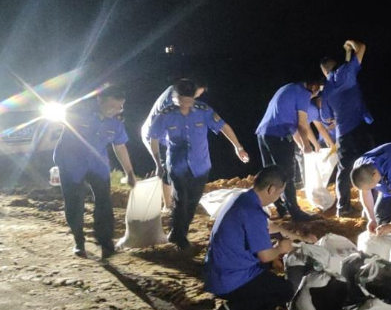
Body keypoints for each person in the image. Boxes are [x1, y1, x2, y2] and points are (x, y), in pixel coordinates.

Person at [148, 79, 249, 249]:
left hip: (201, 165)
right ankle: (179, 237)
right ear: (175, 97)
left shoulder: (204, 111)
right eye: (182, 101)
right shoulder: (165, 114)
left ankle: (178, 231)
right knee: (181, 199)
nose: (185, 105)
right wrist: (158, 163)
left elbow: (223, 126)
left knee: (193, 201)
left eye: (189, 101)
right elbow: (154, 138)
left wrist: (238, 147)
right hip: (177, 164)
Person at [203, 165, 296, 310]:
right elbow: (265, 256)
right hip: (229, 280)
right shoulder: (253, 213)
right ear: (271, 189)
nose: (279, 198)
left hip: (216, 272)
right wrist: (282, 248)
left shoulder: (242, 199)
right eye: (280, 193)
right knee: (286, 290)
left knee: (268, 273)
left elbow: (269, 227)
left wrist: (299, 237)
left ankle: (240, 304)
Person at [53, 88, 136, 258]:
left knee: (104, 202)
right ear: (100, 99)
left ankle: (105, 242)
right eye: (112, 106)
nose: (115, 110)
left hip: (98, 164)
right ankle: (79, 241)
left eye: (120, 107)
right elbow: (60, 118)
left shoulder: (115, 123)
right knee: (75, 203)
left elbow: (119, 146)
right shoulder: (79, 114)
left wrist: (129, 172)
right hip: (71, 164)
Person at [320, 39, 374, 218]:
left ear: (324, 71)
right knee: (368, 165)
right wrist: (350, 43)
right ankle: (373, 207)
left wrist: (336, 118)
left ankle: (342, 207)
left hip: (342, 132)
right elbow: (363, 47)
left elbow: (326, 118)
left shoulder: (326, 89)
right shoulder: (345, 72)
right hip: (359, 128)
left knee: (344, 170)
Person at [255, 81, 323, 222]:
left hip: (264, 133)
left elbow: (290, 124)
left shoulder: (289, 88)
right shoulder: (304, 93)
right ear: (314, 86)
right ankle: (295, 213)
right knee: (287, 175)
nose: (316, 95)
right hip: (278, 134)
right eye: (318, 91)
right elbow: (302, 124)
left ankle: (280, 207)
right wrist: (307, 145)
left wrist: (301, 144)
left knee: (269, 173)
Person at [141, 77, 207, 212]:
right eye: (197, 94)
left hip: (166, 135)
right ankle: (168, 206)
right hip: (157, 136)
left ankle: (179, 199)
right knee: (167, 168)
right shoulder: (173, 100)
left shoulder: (176, 91)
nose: (197, 98)